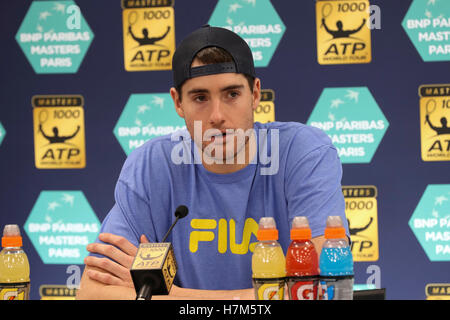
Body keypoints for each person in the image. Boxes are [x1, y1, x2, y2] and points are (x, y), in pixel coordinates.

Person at [76, 25, 349, 300]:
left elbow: (326, 290)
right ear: (178, 103)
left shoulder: (303, 152)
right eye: (200, 98)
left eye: (232, 94)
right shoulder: (152, 165)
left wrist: (171, 297)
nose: (217, 115)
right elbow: (91, 293)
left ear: (255, 94)